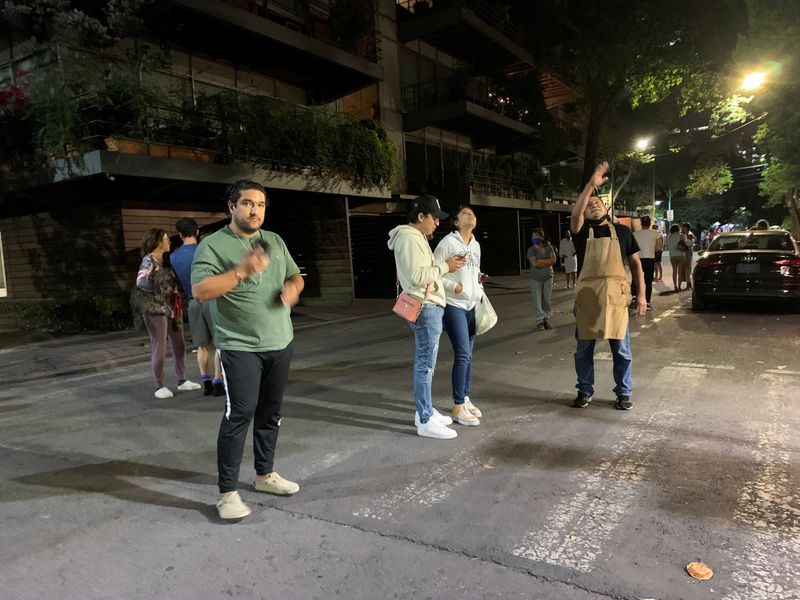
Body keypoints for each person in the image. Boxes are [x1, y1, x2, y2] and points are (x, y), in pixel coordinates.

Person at [192, 180, 305, 521]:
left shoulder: (274, 240)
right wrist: (242, 270)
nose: (255, 210)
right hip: (239, 346)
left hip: (280, 341)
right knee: (239, 414)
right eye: (247, 203)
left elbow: (297, 276)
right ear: (231, 207)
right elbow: (200, 290)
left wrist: (292, 289)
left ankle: (265, 474)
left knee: (270, 413)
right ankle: (227, 493)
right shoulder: (213, 246)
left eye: (260, 204)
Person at [387, 194, 465, 440]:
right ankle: (424, 419)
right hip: (426, 307)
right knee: (425, 364)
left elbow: (425, 274)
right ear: (421, 216)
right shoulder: (409, 239)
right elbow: (417, 276)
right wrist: (446, 267)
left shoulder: (415, 237)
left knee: (427, 364)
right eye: (434, 218)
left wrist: (451, 285)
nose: (437, 223)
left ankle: (426, 411)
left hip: (430, 305)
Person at [570, 162, 646, 411]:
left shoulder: (623, 232)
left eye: (597, 203)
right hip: (588, 299)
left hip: (615, 299)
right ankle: (584, 390)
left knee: (621, 351)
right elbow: (575, 214)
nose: (592, 205)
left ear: (605, 208)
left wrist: (641, 295)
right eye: (589, 204)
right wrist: (591, 184)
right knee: (584, 351)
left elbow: (636, 265)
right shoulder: (581, 232)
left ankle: (624, 393)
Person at [136, 228, 201, 399]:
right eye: (166, 239)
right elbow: (141, 282)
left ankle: (182, 380)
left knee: (179, 342)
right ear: (158, 242)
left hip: (172, 308)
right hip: (156, 310)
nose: (169, 242)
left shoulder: (165, 260)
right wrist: (161, 292)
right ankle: (159, 385)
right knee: (160, 345)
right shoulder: (148, 261)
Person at [434, 206, 482, 427]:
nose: (470, 215)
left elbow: (475, 272)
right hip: (454, 305)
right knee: (462, 354)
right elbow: (434, 272)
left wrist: (479, 285)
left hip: (472, 304)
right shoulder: (447, 243)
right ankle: (456, 406)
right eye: (464, 213)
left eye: (472, 213)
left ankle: (465, 397)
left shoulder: (476, 245)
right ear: (455, 222)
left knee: (469, 354)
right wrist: (454, 287)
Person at [170, 217, 224, 397]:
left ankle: (206, 381)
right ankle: (218, 382)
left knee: (202, 346)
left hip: (193, 302)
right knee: (219, 344)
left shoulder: (174, 256)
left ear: (179, 234)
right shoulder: (205, 249)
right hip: (212, 299)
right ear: (197, 231)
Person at [527, 228, 557, 330]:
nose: (534, 238)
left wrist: (541, 261)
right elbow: (534, 264)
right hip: (536, 278)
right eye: (533, 237)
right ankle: (539, 320)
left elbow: (554, 260)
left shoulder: (549, 248)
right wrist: (547, 261)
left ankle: (546, 318)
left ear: (541, 237)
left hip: (548, 277)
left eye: (536, 236)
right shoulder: (531, 250)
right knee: (537, 300)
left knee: (547, 300)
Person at [630, 215, 659, 310]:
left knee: (636, 279)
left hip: (638, 259)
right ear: (650, 223)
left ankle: (635, 298)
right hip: (649, 259)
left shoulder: (635, 234)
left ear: (641, 224)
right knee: (648, 281)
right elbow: (659, 248)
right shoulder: (655, 234)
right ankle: (647, 302)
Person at [665, 224, 686, 291]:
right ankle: (679, 287)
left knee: (674, 271)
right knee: (680, 272)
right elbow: (686, 243)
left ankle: (675, 286)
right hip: (680, 255)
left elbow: (667, 246)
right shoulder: (681, 235)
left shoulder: (668, 237)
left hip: (672, 255)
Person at [681, 223, 696, 290]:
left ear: (686, 228)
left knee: (688, 269)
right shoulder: (685, 234)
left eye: (683, 227)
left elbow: (690, 244)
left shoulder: (689, 235)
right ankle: (688, 284)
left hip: (688, 253)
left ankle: (689, 284)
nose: (682, 229)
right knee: (686, 269)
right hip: (685, 253)